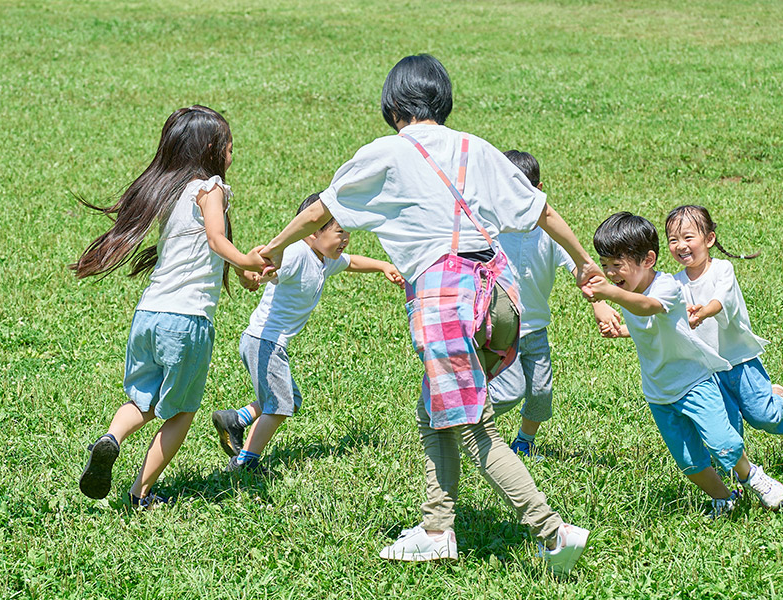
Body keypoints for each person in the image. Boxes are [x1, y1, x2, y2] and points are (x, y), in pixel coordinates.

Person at [258, 55, 602, 573]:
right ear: (442, 100)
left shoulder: (388, 151)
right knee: (435, 412)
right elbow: (542, 210)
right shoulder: (475, 146)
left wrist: (271, 248)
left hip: (446, 301)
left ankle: (553, 532)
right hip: (500, 300)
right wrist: (583, 262)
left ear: (392, 103)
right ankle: (437, 528)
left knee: (474, 427)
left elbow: (319, 211)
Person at [71, 106, 267, 508]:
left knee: (142, 400)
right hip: (187, 321)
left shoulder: (171, 191)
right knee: (180, 412)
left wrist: (246, 273)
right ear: (213, 147)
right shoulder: (211, 188)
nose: (233, 153)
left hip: (148, 316)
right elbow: (216, 241)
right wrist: (248, 260)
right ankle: (140, 493)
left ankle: (111, 438)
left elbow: (205, 252)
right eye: (230, 146)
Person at [588, 212, 783, 518]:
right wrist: (612, 319)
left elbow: (648, 309)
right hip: (659, 393)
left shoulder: (666, 286)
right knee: (690, 462)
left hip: (694, 382)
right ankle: (725, 497)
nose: (611, 272)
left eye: (617, 265)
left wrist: (607, 294)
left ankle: (753, 477)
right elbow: (646, 324)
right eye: (606, 266)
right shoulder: (625, 292)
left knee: (723, 443)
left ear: (648, 259)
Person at [211, 192, 404, 473]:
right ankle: (243, 463)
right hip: (265, 341)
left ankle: (236, 420)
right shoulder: (297, 253)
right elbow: (266, 267)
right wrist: (253, 275)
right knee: (279, 405)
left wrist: (383, 266)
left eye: (347, 232)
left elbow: (352, 262)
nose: (346, 239)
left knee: (290, 399)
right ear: (312, 233)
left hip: (268, 342)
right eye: (339, 232)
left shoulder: (323, 258)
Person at [490, 150, 620, 458]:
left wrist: (599, 303)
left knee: (540, 392)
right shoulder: (491, 229)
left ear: (539, 190)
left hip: (534, 328)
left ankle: (523, 441)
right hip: (498, 329)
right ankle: (458, 422)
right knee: (509, 392)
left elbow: (580, 269)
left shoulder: (551, 233)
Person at [666, 205, 783, 436]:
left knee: (764, 417)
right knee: (727, 428)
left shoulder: (722, 269)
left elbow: (721, 301)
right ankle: (738, 470)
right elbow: (660, 315)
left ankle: (777, 397)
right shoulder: (674, 283)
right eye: (673, 240)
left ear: (709, 239)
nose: (681, 245)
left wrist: (703, 312)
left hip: (739, 359)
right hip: (707, 369)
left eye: (688, 237)